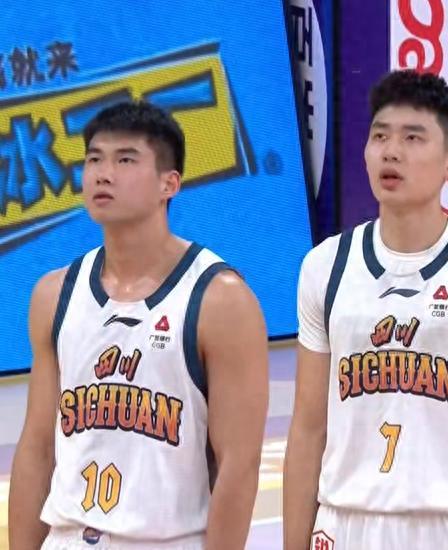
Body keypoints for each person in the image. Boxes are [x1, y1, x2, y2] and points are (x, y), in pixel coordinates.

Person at [283, 70, 448, 550]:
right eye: (380, 136)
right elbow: (307, 427)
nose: (391, 151)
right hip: (345, 523)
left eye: (412, 138)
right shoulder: (325, 266)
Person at [9, 101, 269, 550]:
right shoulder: (54, 294)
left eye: (125, 160)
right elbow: (38, 448)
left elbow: (238, 466)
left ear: (170, 183)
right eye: (94, 159)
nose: (103, 174)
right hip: (68, 536)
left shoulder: (221, 299)